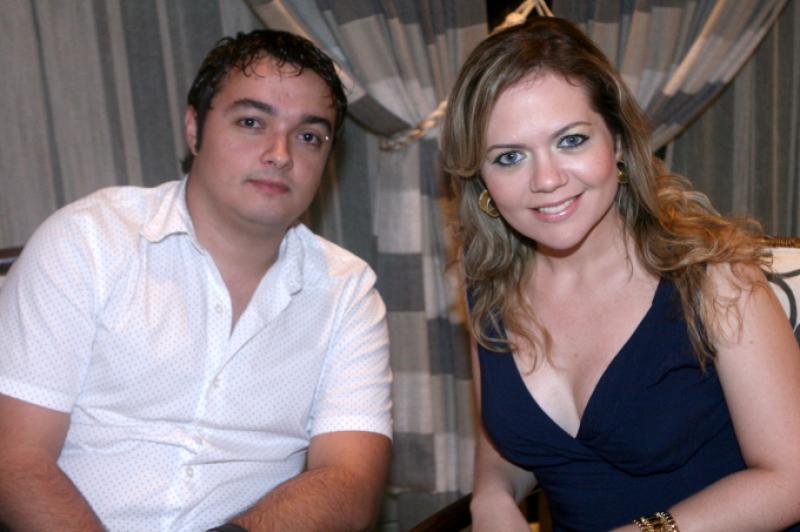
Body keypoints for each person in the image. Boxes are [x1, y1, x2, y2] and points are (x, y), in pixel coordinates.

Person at [0, 29, 392, 531]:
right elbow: (16, 457)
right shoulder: (89, 241)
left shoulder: (346, 290)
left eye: (309, 136)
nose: (280, 153)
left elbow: (350, 482)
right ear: (194, 129)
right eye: (251, 122)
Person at [441, 16, 800, 532]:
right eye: (510, 156)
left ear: (618, 142)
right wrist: (492, 498)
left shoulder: (715, 276)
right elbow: (506, 448)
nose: (546, 179)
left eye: (570, 140)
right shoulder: (488, 285)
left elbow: (788, 480)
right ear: (482, 181)